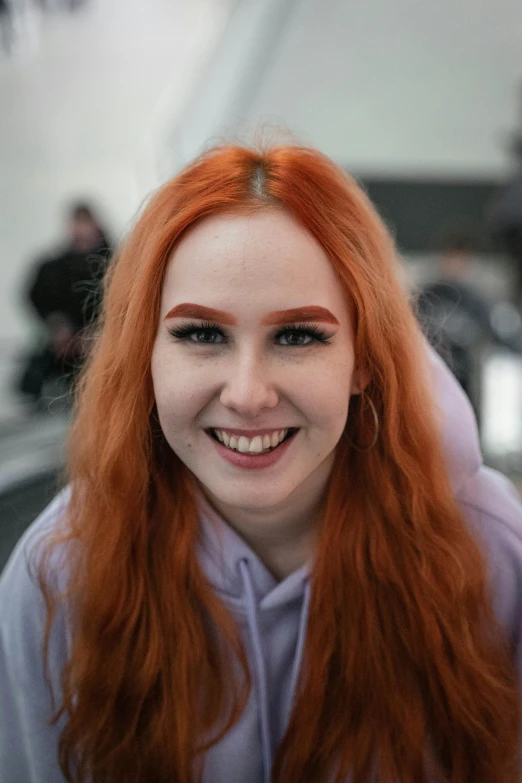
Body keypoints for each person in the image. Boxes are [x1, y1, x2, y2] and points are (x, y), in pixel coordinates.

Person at [1, 143, 521, 783]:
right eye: (201, 334)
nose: (247, 395)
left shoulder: (490, 554)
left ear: (363, 359)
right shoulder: (60, 571)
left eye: (298, 335)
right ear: (147, 357)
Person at [17, 201, 111, 408]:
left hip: (106, 343)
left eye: (84, 222)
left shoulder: (117, 261)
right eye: (76, 222)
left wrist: (104, 330)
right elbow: (36, 297)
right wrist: (56, 324)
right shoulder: (52, 267)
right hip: (64, 344)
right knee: (31, 383)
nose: (80, 228)